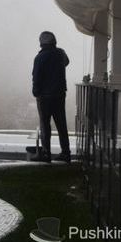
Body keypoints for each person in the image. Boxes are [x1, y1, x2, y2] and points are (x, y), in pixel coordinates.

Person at [31, 31, 71, 163]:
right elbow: (67, 62)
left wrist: (36, 92)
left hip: (45, 97)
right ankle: (66, 153)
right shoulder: (60, 53)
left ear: (41, 43)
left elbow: (36, 77)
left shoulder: (40, 58)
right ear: (54, 41)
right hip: (59, 95)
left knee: (45, 125)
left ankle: (46, 153)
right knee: (61, 124)